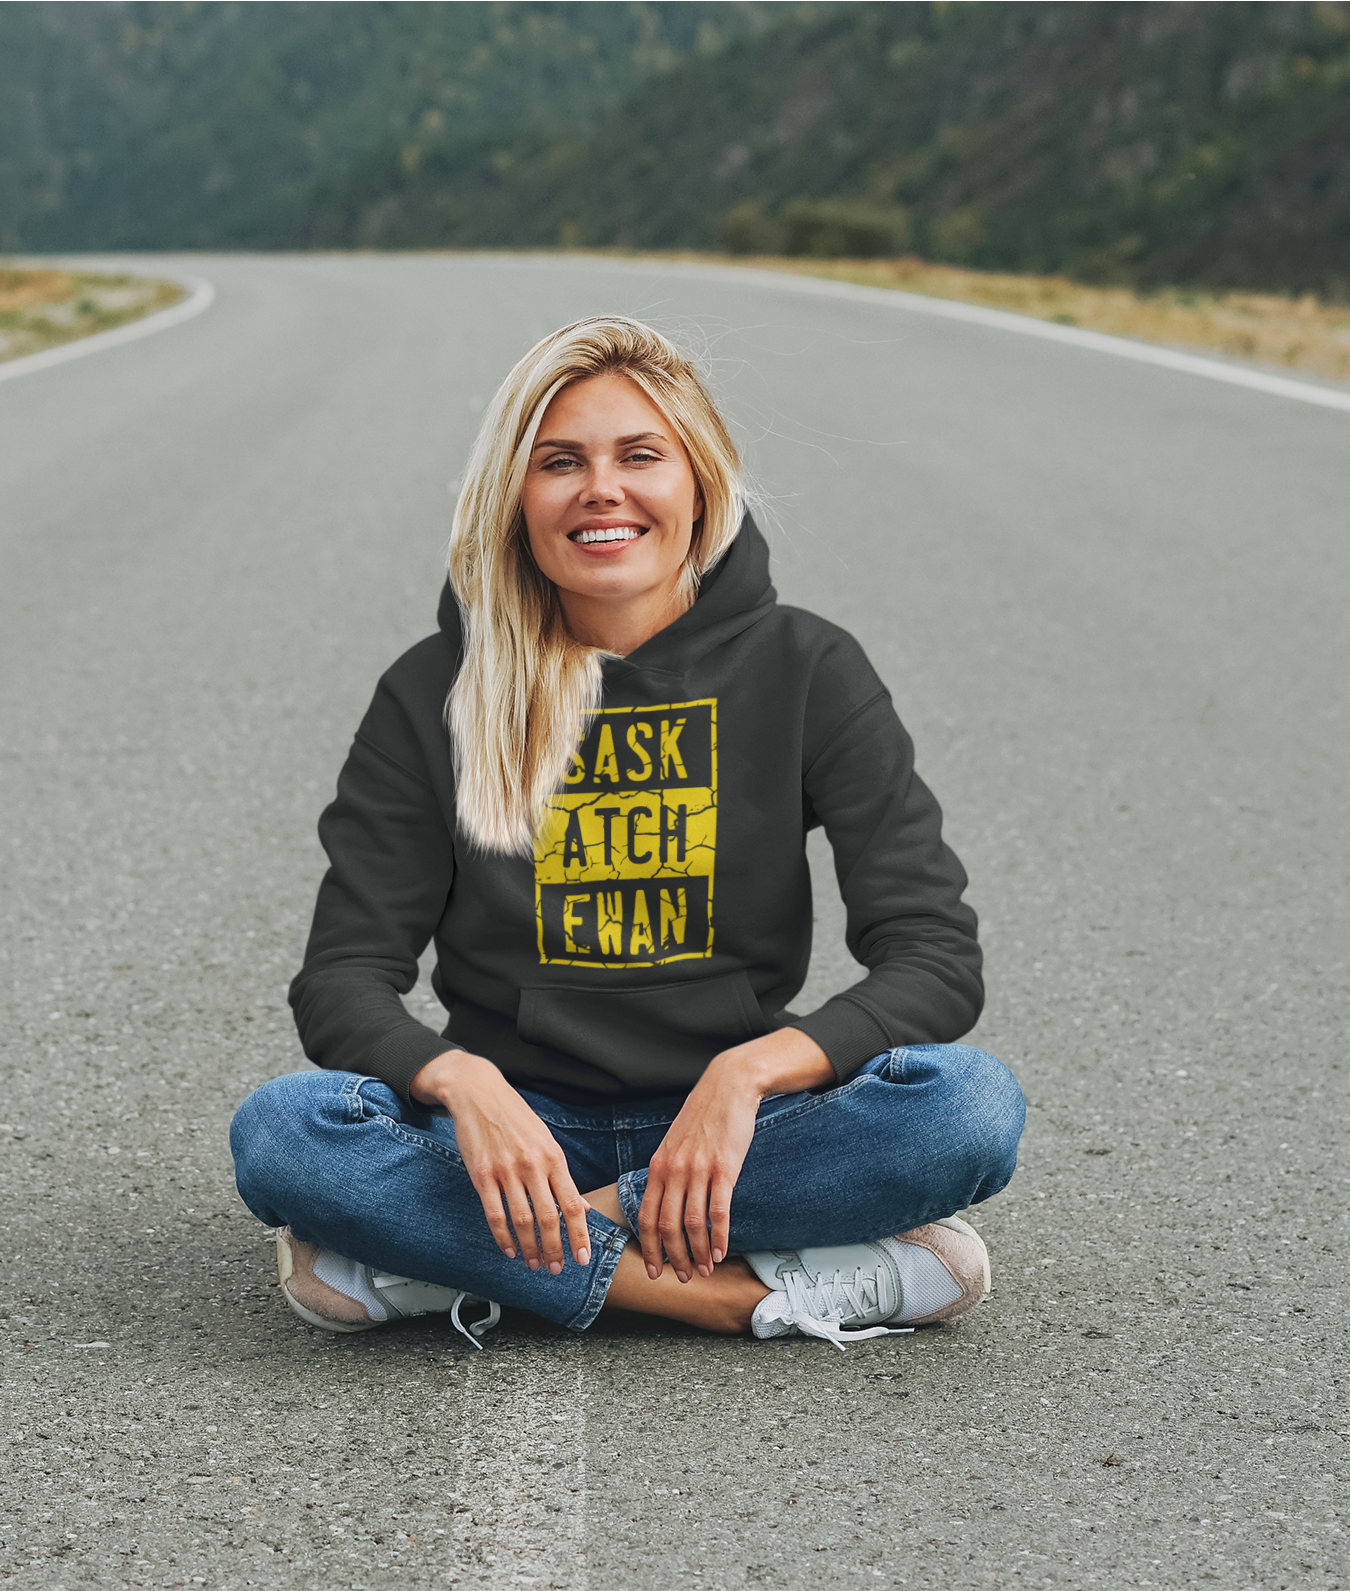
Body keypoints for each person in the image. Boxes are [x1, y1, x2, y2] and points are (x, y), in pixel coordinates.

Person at [230, 316, 1025, 1350]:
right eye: (559, 462)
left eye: (639, 455)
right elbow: (341, 977)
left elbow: (933, 953)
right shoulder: (436, 693)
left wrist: (748, 1076)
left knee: (965, 1108)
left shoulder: (807, 669)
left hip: (742, 1132)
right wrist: (462, 1083)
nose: (601, 488)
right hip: (516, 1132)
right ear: (516, 500)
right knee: (285, 1134)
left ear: (700, 482)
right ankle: (738, 1295)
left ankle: (439, 1261)